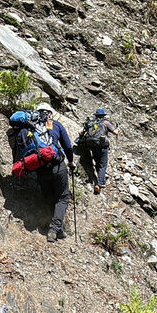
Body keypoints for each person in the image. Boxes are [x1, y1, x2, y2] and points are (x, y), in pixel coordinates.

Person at [28, 102, 75, 242]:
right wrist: (71, 161)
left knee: (49, 196)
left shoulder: (31, 125)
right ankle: (54, 229)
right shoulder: (56, 124)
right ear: (49, 114)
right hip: (57, 166)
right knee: (63, 197)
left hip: (40, 167)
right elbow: (67, 146)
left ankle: (53, 226)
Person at [81, 108, 122, 195]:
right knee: (103, 165)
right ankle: (99, 184)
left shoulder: (92, 122)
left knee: (97, 163)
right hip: (103, 146)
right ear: (103, 116)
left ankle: (102, 181)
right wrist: (117, 129)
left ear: (96, 115)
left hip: (93, 146)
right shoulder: (105, 123)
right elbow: (115, 132)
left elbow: (82, 132)